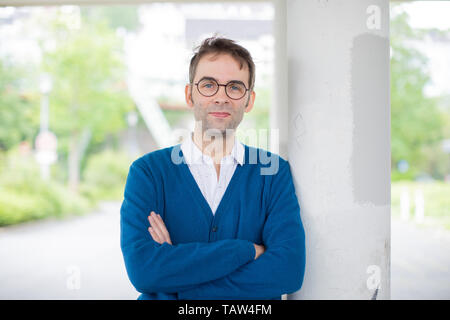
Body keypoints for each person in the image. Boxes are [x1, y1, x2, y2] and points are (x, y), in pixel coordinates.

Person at [120, 36, 306, 300]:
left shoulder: (273, 173)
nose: (221, 97)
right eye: (208, 85)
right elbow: (144, 272)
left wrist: (174, 277)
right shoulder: (148, 173)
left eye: (234, 87)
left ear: (249, 100)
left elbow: (287, 271)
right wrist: (247, 251)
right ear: (189, 95)